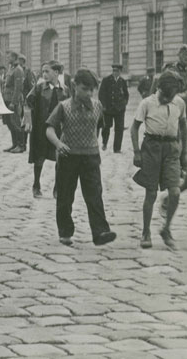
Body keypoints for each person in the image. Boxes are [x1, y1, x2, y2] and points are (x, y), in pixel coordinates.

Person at [45, 68, 116, 247]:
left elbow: (100, 126)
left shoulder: (98, 106)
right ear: (75, 86)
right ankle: (65, 231)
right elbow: (49, 129)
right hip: (68, 156)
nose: (89, 93)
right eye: (85, 89)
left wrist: (94, 143)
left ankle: (100, 231)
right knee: (65, 195)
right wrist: (58, 144)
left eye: (92, 89)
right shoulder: (64, 106)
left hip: (91, 157)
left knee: (94, 195)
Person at [131, 71, 187, 250]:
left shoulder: (179, 102)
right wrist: (137, 152)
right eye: (165, 95)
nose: (168, 99)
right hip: (151, 148)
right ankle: (146, 232)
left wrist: (184, 151)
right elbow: (134, 128)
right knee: (151, 193)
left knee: (175, 192)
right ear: (159, 89)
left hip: (171, 149)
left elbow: (184, 126)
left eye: (172, 96)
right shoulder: (147, 103)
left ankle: (166, 228)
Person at [24, 61, 68, 198]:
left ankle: (57, 188)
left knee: (60, 158)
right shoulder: (38, 88)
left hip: (59, 130)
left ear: (56, 73)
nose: (44, 74)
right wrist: (28, 122)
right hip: (41, 128)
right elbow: (27, 104)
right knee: (39, 157)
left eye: (47, 71)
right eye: (43, 71)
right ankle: (36, 185)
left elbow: (71, 107)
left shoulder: (65, 90)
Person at [99, 64, 129, 153]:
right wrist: (103, 105)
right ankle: (104, 142)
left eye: (117, 71)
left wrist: (124, 104)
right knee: (106, 127)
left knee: (119, 129)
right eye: (114, 71)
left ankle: (117, 148)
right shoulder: (106, 80)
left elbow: (126, 95)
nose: (115, 72)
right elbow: (101, 94)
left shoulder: (122, 81)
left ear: (120, 72)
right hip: (108, 108)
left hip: (119, 109)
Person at [2, 51, 26, 153]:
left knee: (16, 122)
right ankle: (15, 144)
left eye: (9, 57)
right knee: (9, 122)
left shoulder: (18, 70)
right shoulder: (11, 69)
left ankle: (21, 145)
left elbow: (18, 87)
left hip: (13, 100)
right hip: (7, 99)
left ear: (14, 58)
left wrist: (14, 102)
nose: (7, 58)